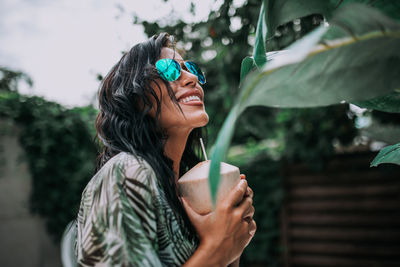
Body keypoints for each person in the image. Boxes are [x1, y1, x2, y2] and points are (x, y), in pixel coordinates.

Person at [75, 33, 256, 267]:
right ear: (134, 97)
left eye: (191, 69)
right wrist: (219, 247)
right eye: (168, 69)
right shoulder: (127, 172)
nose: (192, 78)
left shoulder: (180, 186)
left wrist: (234, 241)